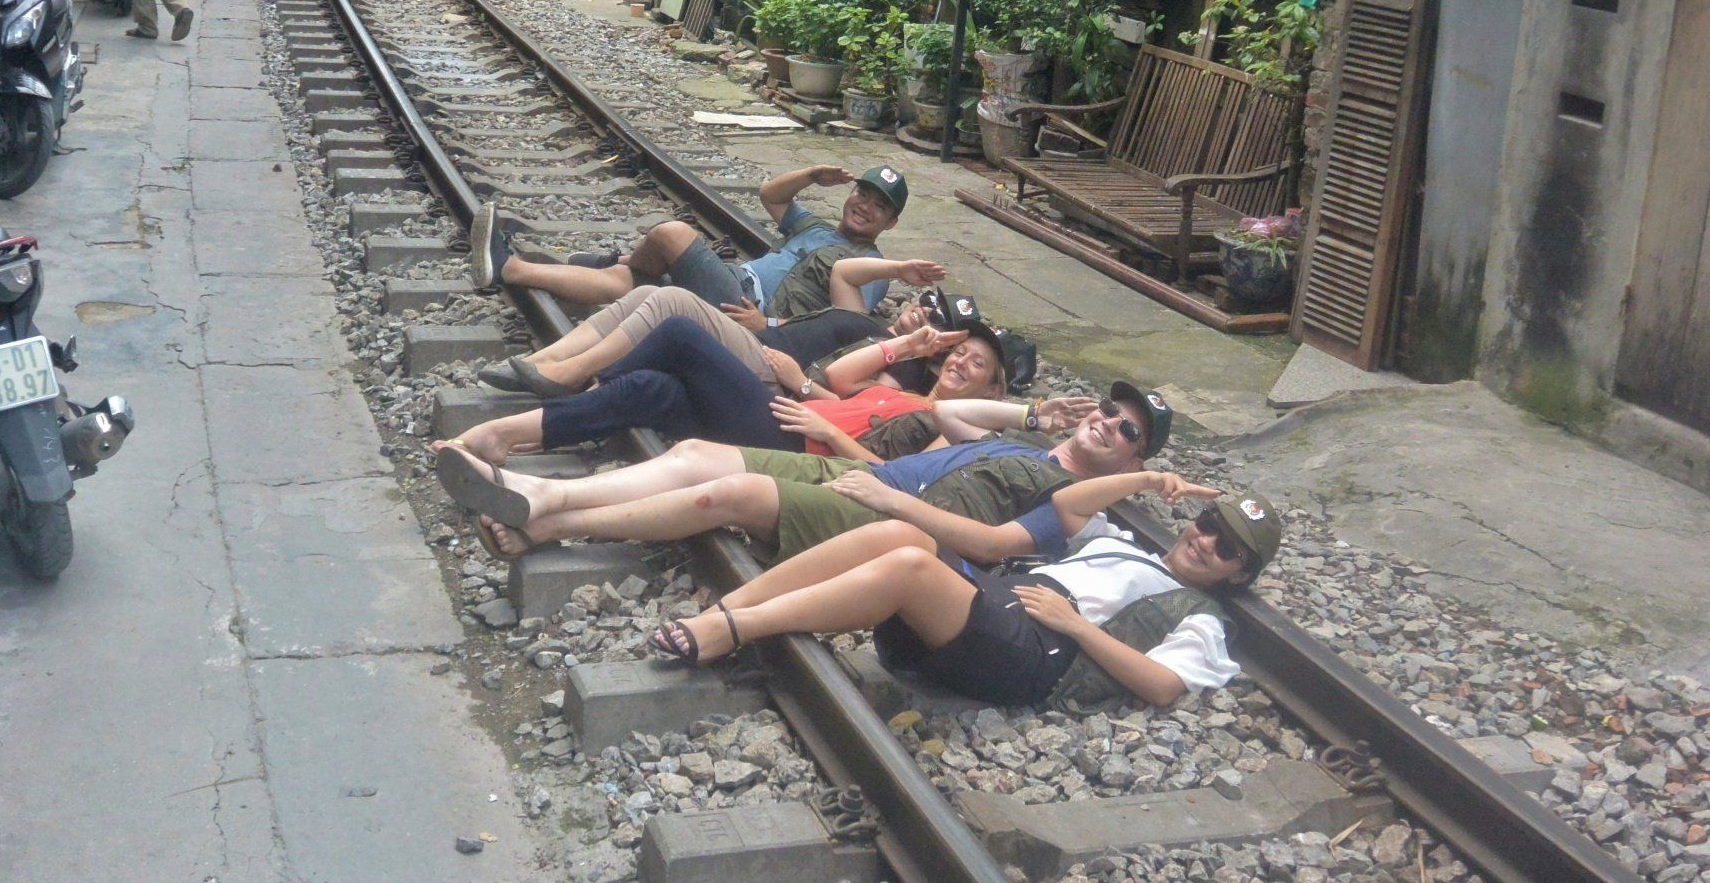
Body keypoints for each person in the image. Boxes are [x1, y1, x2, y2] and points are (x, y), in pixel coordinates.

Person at [647, 489, 1281, 711]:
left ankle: (735, 628)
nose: (1205, 543)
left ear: (1236, 576)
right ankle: (717, 615)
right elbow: (1069, 503)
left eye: (1227, 549)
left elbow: (1167, 686)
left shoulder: (1203, 617)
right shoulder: (1126, 544)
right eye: (1206, 524)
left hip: (1040, 652)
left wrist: (1081, 630)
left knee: (909, 564)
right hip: (1005, 608)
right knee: (897, 534)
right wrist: (1147, 476)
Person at [434, 378, 1170, 563]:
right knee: (692, 454)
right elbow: (952, 415)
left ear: (1135, 458)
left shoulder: (1074, 504)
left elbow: (991, 548)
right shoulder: (1034, 450)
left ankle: (546, 523)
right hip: (863, 483)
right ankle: (544, 490)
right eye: (1107, 409)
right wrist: (1038, 411)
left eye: (1125, 430)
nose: (1106, 423)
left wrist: (898, 503)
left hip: (887, 518)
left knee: (728, 494)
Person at [444, 316, 1023, 468]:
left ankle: (572, 397)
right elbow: (844, 381)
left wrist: (826, 432)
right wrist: (911, 346)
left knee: (678, 334)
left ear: (997, 390)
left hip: (797, 450)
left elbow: (906, 487)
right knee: (649, 387)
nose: (960, 362)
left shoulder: (957, 433)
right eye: (960, 352)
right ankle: (506, 438)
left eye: (978, 364)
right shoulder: (911, 397)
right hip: (787, 420)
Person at [471, 164, 909, 322]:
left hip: (748, 309)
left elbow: (843, 323)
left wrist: (770, 328)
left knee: (671, 234)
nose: (865, 207)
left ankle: (622, 259)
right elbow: (771, 195)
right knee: (632, 287)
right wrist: (812, 175)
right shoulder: (816, 230)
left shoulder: (871, 266)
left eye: (879, 207)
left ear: (890, 223)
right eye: (862, 194)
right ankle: (510, 268)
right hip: (733, 283)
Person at [476, 257, 947, 397]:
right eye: (925, 304)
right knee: (643, 295)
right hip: (753, 342)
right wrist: (897, 268)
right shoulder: (866, 321)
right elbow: (844, 270)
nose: (922, 313)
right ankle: (546, 361)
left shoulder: (904, 369)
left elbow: (858, 402)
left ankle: (571, 374)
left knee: (673, 300)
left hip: (765, 372)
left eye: (935, 320)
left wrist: (799, 383)